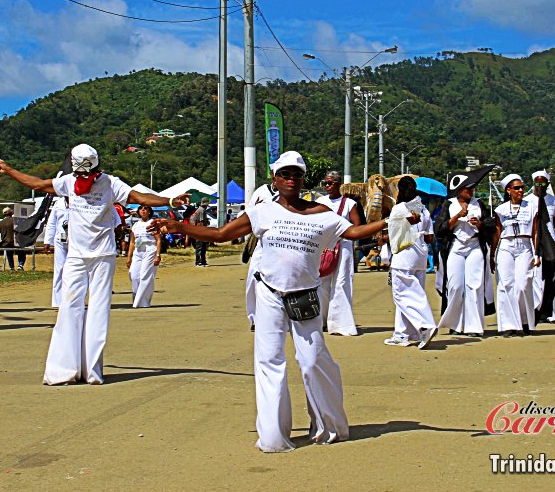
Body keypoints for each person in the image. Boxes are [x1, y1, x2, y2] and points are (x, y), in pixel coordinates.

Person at [150, 151, 388, 452]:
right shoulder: (262, 211)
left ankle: (329, 424)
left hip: (305, 297)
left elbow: (352, 232)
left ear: (304, 180)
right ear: (274, 179)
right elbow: (221, 234)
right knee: (270, 361)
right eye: (285, 174)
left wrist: (387, 223)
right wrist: (180, 227)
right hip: (270, 294)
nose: (291, 179)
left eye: (297, 175)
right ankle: (275, 435)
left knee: (313, 360)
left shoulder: (323, 214)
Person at [0, 144, 189, 385]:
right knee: (69, 307)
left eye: (87, 173)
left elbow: (138, 197)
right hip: (76, 256)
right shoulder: (66, 182)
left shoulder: (110, 183)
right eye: (81, 174)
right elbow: (37, 184)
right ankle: (63, 371)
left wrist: (169, 200)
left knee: (98, 310)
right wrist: (9, 170)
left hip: (103, 256)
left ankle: (92, 372)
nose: (84, 178)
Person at [436, 170, 491, 337]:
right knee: (455, 285)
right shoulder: (449, 204)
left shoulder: (479, 204)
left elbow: (490, 224)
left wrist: (479, 224)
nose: (471, 191)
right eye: (467, 188)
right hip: (456, 247)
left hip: (474, 246)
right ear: (459, 189)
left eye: (472, 188)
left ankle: (474, 327)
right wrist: (458, 216)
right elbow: (440, 228)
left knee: (474, 285)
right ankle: (455, 324)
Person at [385, 175, 438, 348]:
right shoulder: (423, 209)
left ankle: (425, 325)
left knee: (402, 294)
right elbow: (430, 238)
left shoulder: (399, 208)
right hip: (420, 256)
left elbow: (392, 232)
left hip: (404, 256)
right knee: (412, 292)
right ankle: (402, 334)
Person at [492, 174, 540, 337]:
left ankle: (525, 321)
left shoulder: (532, 207)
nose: (520, 190)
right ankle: (508, 325)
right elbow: (497, 233)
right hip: (506, 245)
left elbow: (535, 231)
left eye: (522, 187)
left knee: (523, 284)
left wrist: (537, 252)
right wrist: (493, 255)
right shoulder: (500, 210)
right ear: (508, 190)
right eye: (517, 188)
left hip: (524, 246)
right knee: (505, 284)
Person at [314, 171, 361, 336]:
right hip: (324, 247)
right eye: (325, 183)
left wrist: (342, 231)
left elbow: (357, 225)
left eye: (330, 183)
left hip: (344, 246)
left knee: (342, 282)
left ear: (338, 184)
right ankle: (321, 319)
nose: (327, 186)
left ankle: (341, 324)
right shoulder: (320, 202)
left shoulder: (349, 204)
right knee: (321, 283)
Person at [529, 170, 555, 323]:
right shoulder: (527, 200)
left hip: (550, 241)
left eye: (542, 183)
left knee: (550, 275)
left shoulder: (553, 201)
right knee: (535, 277)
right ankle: (535, 310)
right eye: (537, 183)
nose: (539, 186)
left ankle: (548, 311)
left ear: (547, 184)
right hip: (534, 241)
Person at [244, 182, 278, 329]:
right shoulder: (261, 191)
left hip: (281, 245)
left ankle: (278, 318)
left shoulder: (290, 193)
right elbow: (247, 216)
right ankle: (255, 318)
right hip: (261, 243)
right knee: (253, 279)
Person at [126, 205, 161, 307]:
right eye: (141, 208)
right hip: (138, 251)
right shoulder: (135, 225)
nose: (143, 210)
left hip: (149, 249)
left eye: (145, 208)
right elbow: (132, 242)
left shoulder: (152, 223)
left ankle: (143, 302)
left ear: (149, 211)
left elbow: (158, 240)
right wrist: (129, 257)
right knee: (134, 275)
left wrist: (157, 255)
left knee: (145, 275)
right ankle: (136, 297)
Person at [43, 197, 70, 307]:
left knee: (76, 270)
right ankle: (58, 301)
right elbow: (52, 222)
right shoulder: (58, 204)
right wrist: (47, 241)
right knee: (60, 269)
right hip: (60, 240)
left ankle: (74, 299)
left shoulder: (81, 200)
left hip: (77, 241)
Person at [191, 198, 211, 266]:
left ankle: (203, 261)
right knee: (200, 246)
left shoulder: (200, 209)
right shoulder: (201, 210)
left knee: (203, 246)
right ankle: (198, 261)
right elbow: (201, 222)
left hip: (199, 230)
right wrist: (203, 232)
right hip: (200, 231)